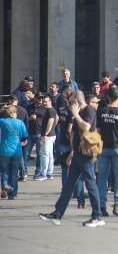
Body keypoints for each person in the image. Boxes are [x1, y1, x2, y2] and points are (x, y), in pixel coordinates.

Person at [39, 90, 105, 227]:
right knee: (69, 185)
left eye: (71, 102)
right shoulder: (79, 113)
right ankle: (57, 214)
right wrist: (71, 153)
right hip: (77, 154)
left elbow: (86, 127)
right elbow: (74, 134)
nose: (69, 105)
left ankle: (97, 216)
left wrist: (75, 115)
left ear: (77, 102)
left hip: (86, 154)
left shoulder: (89, 110)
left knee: (90, 183)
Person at [96, 86, 118, 217]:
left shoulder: (100, 111)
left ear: (108, 97)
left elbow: (97, 131)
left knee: (102, 177)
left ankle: (101, 206)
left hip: (103, 148)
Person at [0, 106, 28, 199]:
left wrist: (1, 110)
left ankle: (4, 186)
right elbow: (24, 136)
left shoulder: (3, 121)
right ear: (15, 113)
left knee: (4, 171)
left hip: (4, 150)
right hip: (16, 151)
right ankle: (13, 194)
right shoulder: (20, 123)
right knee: (14, 173)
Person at [37, 95, 57, 181]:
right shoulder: (51, 110)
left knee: (44, 155)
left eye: (46, 101)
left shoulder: (50, 110)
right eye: (43, 101)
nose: (44, 103)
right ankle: (49, 173)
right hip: (51, 135)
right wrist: (52, 129)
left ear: (50, 101)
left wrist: (45, 134)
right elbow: (57, 119)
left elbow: (51, 121)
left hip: (48, 136)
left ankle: (43, 174)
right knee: (49, 155)